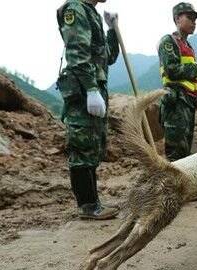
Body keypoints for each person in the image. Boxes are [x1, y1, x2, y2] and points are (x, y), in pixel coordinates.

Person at [56, 0, 120, 220]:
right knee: (82, 145)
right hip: (83, 90)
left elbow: (108, 57)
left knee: (92, 145)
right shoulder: (75, 9)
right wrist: (91, 89)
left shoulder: (90, 12)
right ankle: (87, 205)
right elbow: (76, 54)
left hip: (93, 89)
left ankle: (93, 202)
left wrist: (112, 30)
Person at [158, 2, 197, 161]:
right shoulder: (169, 41)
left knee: (186, 152)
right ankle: (171, 186)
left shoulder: (188, 46)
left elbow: (191, 78)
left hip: (188, 103)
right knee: (176, 153)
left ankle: (182, 186)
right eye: (190, 17)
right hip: (176, 104)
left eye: (195, 19)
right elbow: (172, 71)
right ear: (177, 19)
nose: (194, 22)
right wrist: (196, 66)